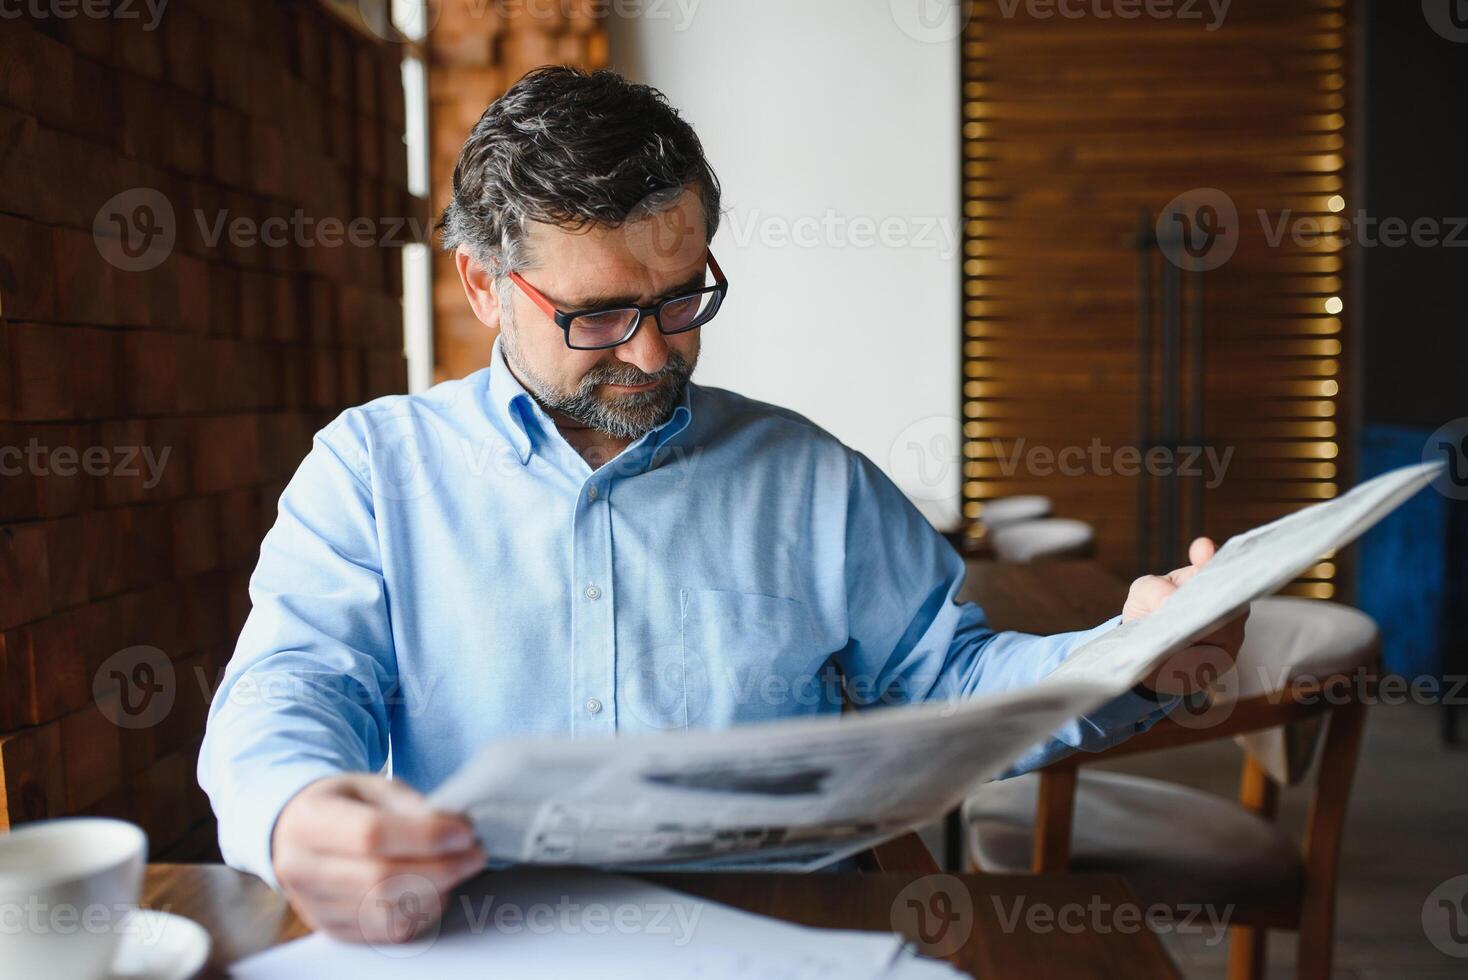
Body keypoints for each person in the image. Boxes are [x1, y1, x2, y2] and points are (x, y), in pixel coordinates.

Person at [198, 67, 1245, 943]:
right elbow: (291, 680)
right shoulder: (372, 470)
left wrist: (1125, 654)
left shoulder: (809, 477)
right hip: (484, 934)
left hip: (782, 930)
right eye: (601, 313)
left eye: (683, 296)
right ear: (481, 286)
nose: (654, 352)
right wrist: (293, 806)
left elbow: (956, 682)